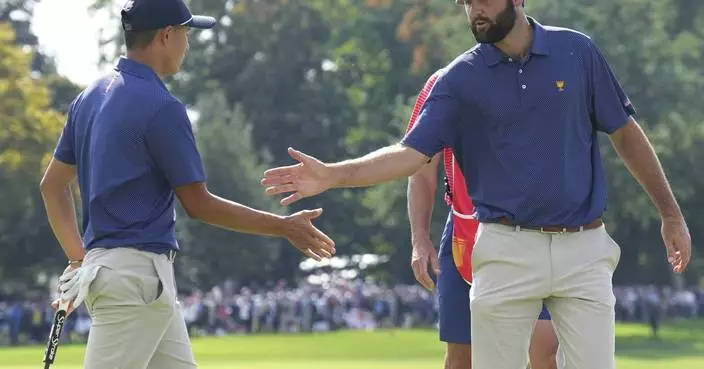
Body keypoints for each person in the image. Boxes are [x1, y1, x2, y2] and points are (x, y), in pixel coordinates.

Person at [260, 1, 692, 368]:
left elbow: (625, 133)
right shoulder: (457, 79)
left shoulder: (577, 52)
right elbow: (411, 155)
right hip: (505, 250)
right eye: (467, 1)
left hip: (584, 248)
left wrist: (670, 214)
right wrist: (335, 174)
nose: (475, 10)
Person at [38, 0, 334, 367]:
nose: (188, 44)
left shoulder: (88, 98)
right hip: (136, 280)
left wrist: (78, 257)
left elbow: (52, 186)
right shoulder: (162, 106)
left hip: (135, 279)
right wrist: (283, 226)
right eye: (186, 34)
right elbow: (199, 204)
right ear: (166, 35)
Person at [407, 71, 558, 369]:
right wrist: (419, 237)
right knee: (462, 360)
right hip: (465, 234)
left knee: (544, 352)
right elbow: (420, 169)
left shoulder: (542, 78)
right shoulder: (443, 83)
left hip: (533, 232)